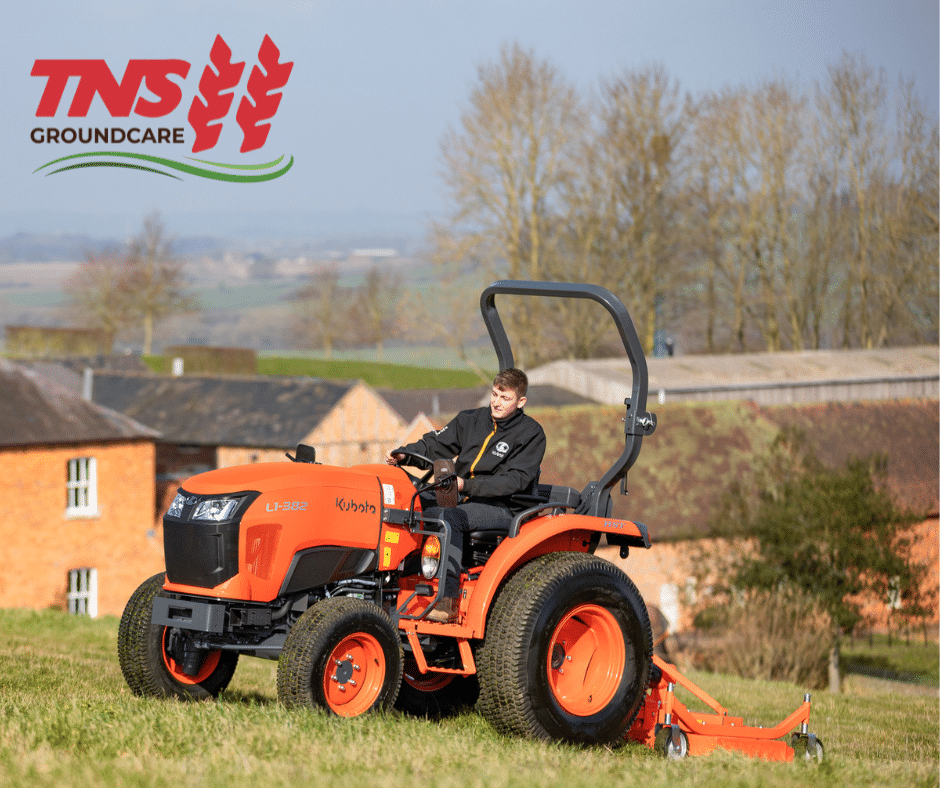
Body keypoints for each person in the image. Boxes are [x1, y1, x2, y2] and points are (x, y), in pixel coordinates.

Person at [386, 367, 546, 622]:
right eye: (495, 394)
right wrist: (405, 454)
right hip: (459, 494)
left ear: (520, 402)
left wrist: (465, 486)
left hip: (501, 507)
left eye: (505, 398)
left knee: (448, 516)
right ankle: (391, 581)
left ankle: (446, 600)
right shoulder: (471, 419)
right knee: (407, 501)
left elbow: (515, 481)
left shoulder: (531, 434)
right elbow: (435, 445)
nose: (497, 402)